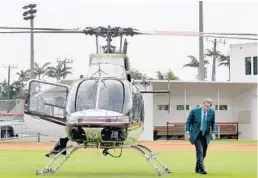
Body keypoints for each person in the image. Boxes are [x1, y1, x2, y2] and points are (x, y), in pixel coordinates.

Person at [185, 98, 216, 175]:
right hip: (196, 134)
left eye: (208, 106)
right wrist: (187, 132)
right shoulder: (194, 111)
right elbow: (188, 122)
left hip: (206, 135)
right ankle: (202, 169)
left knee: (204, 153)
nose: (206, 108)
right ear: (202, 104)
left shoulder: (212, 112)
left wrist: (213, 132)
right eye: (205, 106)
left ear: (210, 106)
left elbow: (213, 123)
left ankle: (197, 168)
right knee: (200, 151)